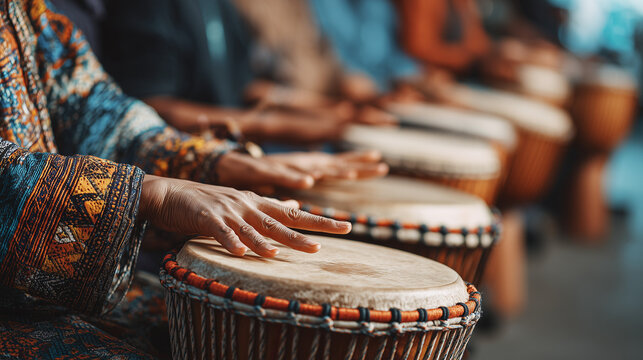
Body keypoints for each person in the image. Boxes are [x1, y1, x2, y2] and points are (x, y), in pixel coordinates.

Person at [0, 1, 386, 358]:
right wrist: (150, 193)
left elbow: (92, 107)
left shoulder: (26, 11)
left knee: (238, 332)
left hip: (40, 297)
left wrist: (218, 163)